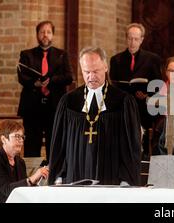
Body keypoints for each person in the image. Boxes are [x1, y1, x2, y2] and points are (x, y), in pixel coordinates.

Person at [48, 46, 141, 186]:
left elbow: (130, 144)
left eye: (96, 71)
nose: (91, 77)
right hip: (75, 174)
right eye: (86, 72)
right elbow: (59, 143)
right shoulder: (68, 101)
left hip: (110, 176)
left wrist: (126, 179)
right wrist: (58, 175)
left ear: (105, 67)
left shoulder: (123, 101)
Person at [17, 21, 73, 161]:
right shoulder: (26, 54)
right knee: (31, 145)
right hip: (32, 107)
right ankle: (31, 177)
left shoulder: (62, 55)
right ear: (37, 34)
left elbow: (69, 77)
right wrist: (34, 83)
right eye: (42, 32)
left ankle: (54, 177)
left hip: (54, 107)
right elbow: (21, 75)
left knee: (55, 143)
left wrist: (52, 80)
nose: (45, 35)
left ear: (53, 34)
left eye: (48, 32)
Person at [109, 23, 162, 160]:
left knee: (142, 140)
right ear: (126, 38)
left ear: (142, 39)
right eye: (130, 38)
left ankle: (143, 160)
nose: (132, 42)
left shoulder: (152, 59)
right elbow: (113, 84)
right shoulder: (116, 60)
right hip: (123, 106)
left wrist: (146, 95)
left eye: (136, 39)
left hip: (143, 107)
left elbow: (158, 84)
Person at [0, 120, 49, 203]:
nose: (21, 140)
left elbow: (20, 190)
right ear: (4, 139)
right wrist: (31, 179)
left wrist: (36, 182)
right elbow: (7, 189)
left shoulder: (20, 162)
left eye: (22, 137)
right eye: (17, 136)